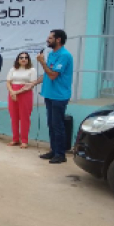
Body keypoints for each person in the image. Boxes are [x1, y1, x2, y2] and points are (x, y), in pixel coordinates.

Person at [36, 29, 74, 164]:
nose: (47, 39)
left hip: (59, 96)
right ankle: (53, 150)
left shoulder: (64, 55)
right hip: (49, 94)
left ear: (58, 40)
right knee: (51, 124)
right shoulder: (52, 54)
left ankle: (60, 154)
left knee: (58, 125)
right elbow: (47, 73)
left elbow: (53, 75)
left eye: (50, 38)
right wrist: (34, 82)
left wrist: (42, 62)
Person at [7, 52, 37, 149]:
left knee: (24, 117)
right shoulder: (13, 69)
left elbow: (31, 84)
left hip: (25, 94)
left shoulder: (32, 70)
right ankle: (15, 139)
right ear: (18, 59)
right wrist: (12, 92)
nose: (23, 59)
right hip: (13, 94)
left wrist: (17, 92)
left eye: (26, 58)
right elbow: (8, 82)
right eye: (21, 57)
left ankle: (24, 140)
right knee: (14, 117)